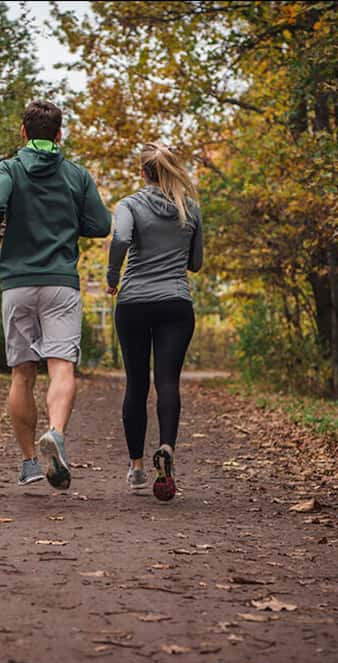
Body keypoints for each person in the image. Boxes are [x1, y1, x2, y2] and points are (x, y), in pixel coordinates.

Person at [0, 101, 111, 489]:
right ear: (59, 134)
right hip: (60, 283)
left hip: (18, 282)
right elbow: (101, 224)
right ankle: (55, 433)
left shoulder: (9, 169)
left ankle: (27, 463)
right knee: (61, 367)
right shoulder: (76, 175)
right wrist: (68, 225)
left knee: (22, 374)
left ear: (23, 132)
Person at [106, 142, 203, 500]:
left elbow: (120, 239)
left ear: (143, 172)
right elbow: (195, 263)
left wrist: (113, 278)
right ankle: (167, 448)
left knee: (136, 383)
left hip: (133, 302)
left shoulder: (129, 204)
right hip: (177, 303)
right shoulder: (189, 208)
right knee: (167, 382)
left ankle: (136, 469)